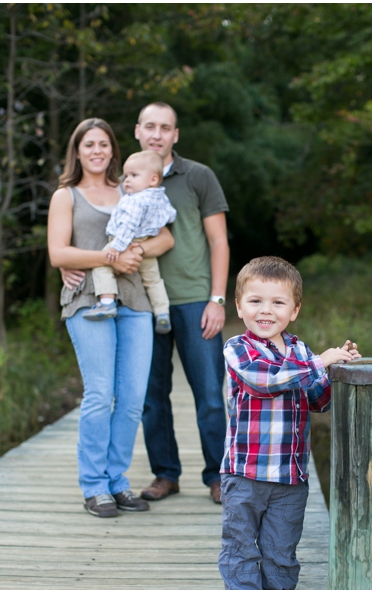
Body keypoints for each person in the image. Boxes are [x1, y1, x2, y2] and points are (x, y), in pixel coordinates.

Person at [218, 256, 360, 590]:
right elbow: (265, 381)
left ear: (294, 310)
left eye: (278, 303)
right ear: (239, 306)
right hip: (245, 473)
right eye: (256, 301)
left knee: (282, 546)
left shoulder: (300, 350)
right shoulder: (239, 348)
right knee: (242, 547)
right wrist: (319, 362)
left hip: (290, 473)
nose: (266, 310)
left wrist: (337, 370)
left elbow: (319, 401)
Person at [47, 118, 174, 518]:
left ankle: (117, 482)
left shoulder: (131, 187)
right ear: (78, 151)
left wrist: (137, 251)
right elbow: (59, 254)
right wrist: (107, 257)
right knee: (100, 394)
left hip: (135, 300)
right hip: (88, 300)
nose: (97, 150)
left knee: (133, 398)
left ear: (113, 151)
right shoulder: (66, 196)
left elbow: (167, 237)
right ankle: (94, 486)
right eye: (89, 145)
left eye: (104, 144)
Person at [135, 101, 232, 504]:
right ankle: (165, 474)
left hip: (195, 301)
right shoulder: (127, 176)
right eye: (150, 126)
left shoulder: (198, 176)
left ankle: (217, 475)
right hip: (141, 304)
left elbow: (218, 241)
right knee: (150, 396)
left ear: (176, 135)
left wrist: (217, 299)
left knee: (210, 394)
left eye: (165, 127)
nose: (157, 134)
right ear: (138, 130)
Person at [82, 150, 176, 334]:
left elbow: (128, 226)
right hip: (146, 245)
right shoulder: (160, 196)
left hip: (125, 242)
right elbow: (170, 215)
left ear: (153, 179)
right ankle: (163, 313)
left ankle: (107, 302)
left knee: (102, 265)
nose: (126, 180)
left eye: (134, 175)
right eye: (125, 176)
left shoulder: (134, 200)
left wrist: (116, 247)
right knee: (153, 280)